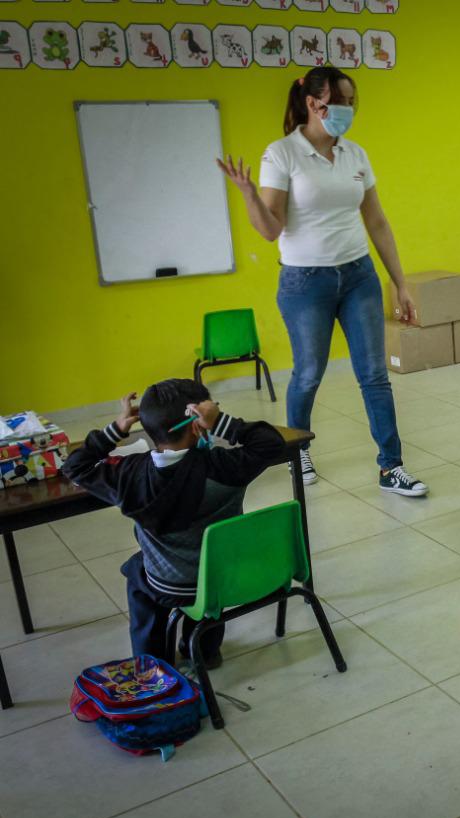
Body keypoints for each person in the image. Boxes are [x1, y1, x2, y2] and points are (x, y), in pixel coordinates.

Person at [215, 67, 427, 498]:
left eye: (352, 102)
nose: (349, 110)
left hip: (358, 276)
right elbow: (270, 229)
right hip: (304, 282)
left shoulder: (355, 155)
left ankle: (392, 467)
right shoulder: (282, 153)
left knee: (373, 375)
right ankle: (297, 452)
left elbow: (378, 222)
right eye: (342, 101)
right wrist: (249, 194)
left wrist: (400, 284)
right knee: (309, 373)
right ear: (314, 104)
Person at [63, 380, 285, 669]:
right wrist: (221, 422)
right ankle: (204, 652)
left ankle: (154, 663)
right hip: (222, 578)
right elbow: (271, 443)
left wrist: (115, 430)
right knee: (206, 564)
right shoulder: (225, 466)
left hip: (167, 584)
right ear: (198, 423)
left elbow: (74, 467)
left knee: (137, 573)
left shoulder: (129, 476)